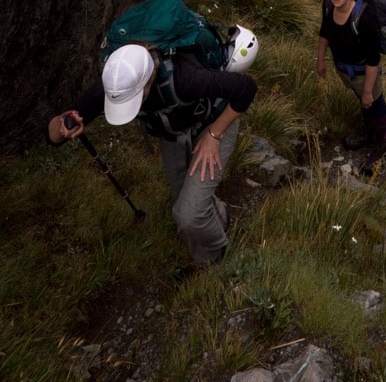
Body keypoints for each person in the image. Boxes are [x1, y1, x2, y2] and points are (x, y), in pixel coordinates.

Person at [47, 30, 258, 267]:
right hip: (174, 132)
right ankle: (219, 217)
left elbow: (246, 88)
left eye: (133, 101)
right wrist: (62, 126)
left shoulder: (186, 78)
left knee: (188, 216)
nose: (129, 108)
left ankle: (217, 262)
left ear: (148, 81)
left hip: (213, 122)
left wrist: (213, 135)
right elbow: (53, 137)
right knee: (185, 200)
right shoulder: (116, 83)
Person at [315, 0, 386, 174]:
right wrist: (320, 60)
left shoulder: (365, 18)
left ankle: (382, 146)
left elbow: (374, 60)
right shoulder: (329, 6)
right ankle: (368, 132)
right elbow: (324, 33)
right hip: (344, 69)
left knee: (376, 104)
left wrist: (367, 90)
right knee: (363, 101)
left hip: (365, 73)